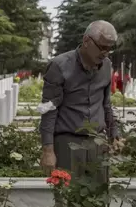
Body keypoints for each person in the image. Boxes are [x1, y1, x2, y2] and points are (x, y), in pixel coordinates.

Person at [39, 20, 121, 177]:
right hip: (67, 144)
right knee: (67, 197)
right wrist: (48, 150)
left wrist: (114, 134)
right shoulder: (59, 66)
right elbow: (48, 109)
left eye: (110, 48)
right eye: (102, 47)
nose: (106, 53)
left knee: (98, 198)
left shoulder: (107, 66)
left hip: (98, 143)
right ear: (86, 41)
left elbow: (106, 105)